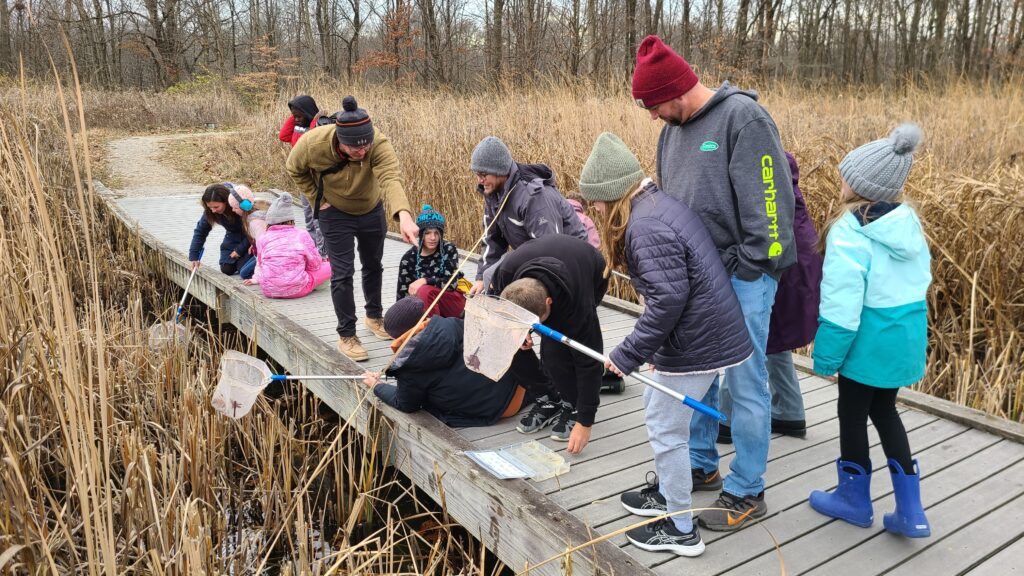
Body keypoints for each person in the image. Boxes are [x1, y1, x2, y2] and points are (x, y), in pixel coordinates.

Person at [632, 34, 796, 531]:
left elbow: (771, 207)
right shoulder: (671, 133)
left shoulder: (743, 120)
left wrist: (750, 265)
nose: (652, 116)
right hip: (696, 275)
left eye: (654, 104)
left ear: (675, 90)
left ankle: (747, 487)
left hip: (745, 278)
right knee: (694, 375)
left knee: (746, 383)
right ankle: (700, 464)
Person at [578, 132, 752, 556]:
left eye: (597, 200)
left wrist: (626, 356)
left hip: (701, 343)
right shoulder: (656, 204)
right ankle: (669, 499)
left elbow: (668, 301)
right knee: (664, 420)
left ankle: (679, 528)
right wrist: (657, 353)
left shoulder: (646, 226)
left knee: (665, 430)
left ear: (614, 192)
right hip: (701, 336)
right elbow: (676, 291)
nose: (595, 209)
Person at [808, 124, 931, 539]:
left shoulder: (849, 231)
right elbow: (920, 282)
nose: (840, 179)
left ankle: (853, 500)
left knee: (851, 414)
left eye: (846, 174)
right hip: (905, 336)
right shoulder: (908, 223)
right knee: (885, 412)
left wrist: (826, 357)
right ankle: (911, 511)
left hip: (866, 342)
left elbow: (842, 306)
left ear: (859, 185)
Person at [286, 95, 419, 362]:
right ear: (339, 140)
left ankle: (374, 317)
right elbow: (294, 168)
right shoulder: (314, 143)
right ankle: (347, 334)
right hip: (334, 212)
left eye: (365, 145)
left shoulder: (377, 144)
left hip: (370, 209)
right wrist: (316, 198)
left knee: (373, 265)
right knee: (342, 273)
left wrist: (403, 216)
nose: (362, 151)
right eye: (355, 148)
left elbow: (391, 178)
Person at [717, 152, 823, 443]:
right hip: (795, 264)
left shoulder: (762, 170)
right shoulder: (782, 172)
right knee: (773, 336)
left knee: (751, 338)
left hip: (779, 265)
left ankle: (725, 417)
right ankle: (789, 411)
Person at [489, 234, 607, 455]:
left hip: (589, 270)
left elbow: (590, 362)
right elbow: (495, 310)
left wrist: (585, 421)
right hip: (536, 266)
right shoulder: (505, 274)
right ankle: (548, 399)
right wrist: (519, 330)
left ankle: (572, 405)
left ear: (548, 302)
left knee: (557, 352)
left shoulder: (578, 306)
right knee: (507, 341)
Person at [363, 296, 529, 427]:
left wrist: (377, 386)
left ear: (396, 337)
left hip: (500, 408)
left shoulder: (411, 364)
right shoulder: (453, 323)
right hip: (516, 384)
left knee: (429, 403)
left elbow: (406, 404)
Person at [467, 136, 589, 294]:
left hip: (570, 265)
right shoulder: (494, 194)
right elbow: (492, 239)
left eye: (483, 174)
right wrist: (481, 278)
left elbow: (552, 251)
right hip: (532, 257)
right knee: (489, 277)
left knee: (502, 279)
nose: (479, 180)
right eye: (477, 174)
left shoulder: (533, 197)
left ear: (499, 171)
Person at [242, 193, 331, 299]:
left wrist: (256, 278)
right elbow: (315, 264)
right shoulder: (301, 234)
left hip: (269, 290)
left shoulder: (263, 238)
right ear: (291, 219)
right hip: (297, 289)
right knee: (331, 265)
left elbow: (261, 263)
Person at [278, 95, 328, 257]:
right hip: (303, 179)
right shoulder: (297, 127)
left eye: (300, 116)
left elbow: (314, 134)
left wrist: (315, 118)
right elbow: (283, 136)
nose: (297, 119)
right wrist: (294, 117)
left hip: (317, 180)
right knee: (308, 216)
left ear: (308, 113)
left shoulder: (318, 126)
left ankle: (323, 252)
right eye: (294, 116)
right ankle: (313, 248)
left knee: (317, 217)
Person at [395, 205, 466, 318]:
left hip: (451, 303)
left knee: (424, 290)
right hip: (424, 309)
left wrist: (425, 280)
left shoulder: (448, 249)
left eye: (436, 233)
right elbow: (401, 296)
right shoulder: (408, 259)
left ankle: (433, 330)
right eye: (427, 233)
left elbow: (451, 284)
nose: (433, 238)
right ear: (421, 234)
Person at [188, 183, 253, 275]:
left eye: (216, 207)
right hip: (233, 236)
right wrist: (194, 256)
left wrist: (239, 250)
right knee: (227, 268)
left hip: (250, 236)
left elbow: (255, 230)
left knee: (244, 269)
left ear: (226, 201)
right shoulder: (211, 211)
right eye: (210, 207)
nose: (213, 210)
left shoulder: (240, 204)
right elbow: (200, 231)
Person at [238, 198, 271, 281]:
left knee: (244, 273)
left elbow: (262, 249)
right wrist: (253, 245)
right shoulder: (256, 221)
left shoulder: (257, 223)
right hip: (258, 252)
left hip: (265, 255)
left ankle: (265, 274)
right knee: (242, 269)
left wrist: (255, 278)